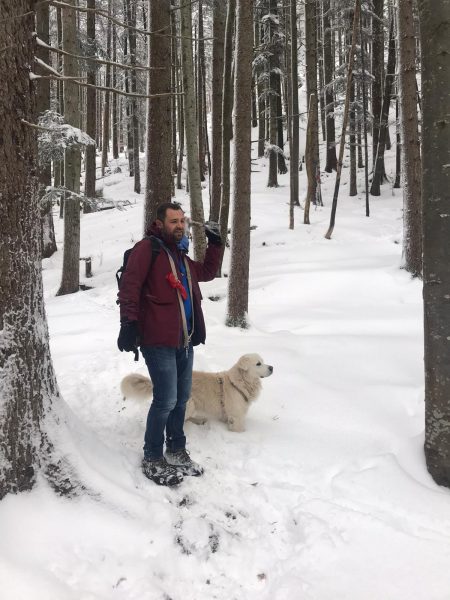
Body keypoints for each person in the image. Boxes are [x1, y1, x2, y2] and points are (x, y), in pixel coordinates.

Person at [117, 202, 222, 486]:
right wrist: (128, 324)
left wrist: (215, 244)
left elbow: (207, 272)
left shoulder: (180, 256)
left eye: (182, 221)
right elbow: (130, 286)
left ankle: (176, 449)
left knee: (181, 399)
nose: (179, 226)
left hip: (184, 340)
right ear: (160, 223)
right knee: (165, 400)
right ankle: (152, 456)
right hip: (157, 340)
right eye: (174, 221)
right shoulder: (147, 249)